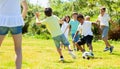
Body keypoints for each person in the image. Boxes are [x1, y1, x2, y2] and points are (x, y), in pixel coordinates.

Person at [0, 0, 28, 69]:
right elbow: (25, 7)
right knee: (18, 49)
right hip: (16, 21)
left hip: (1, 21)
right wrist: (21, 19)